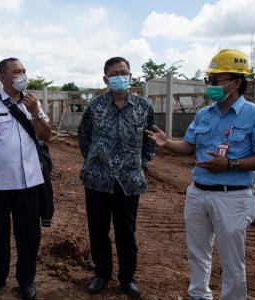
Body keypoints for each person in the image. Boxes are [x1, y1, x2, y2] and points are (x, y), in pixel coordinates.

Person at [145, 49, 255, 300]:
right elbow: (189, 147)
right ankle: (199, 295)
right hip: (198, 193)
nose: (210, 85)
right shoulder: (204, 114)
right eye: (209, 79)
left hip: (232, 197)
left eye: (215, 80)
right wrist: (168, 143)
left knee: (232, 259)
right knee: (197, 252)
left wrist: (230, 165)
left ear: (236, 83)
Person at [0, 57, 51, 300]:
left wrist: (35, 112)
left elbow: (47, 135)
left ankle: (26, 281)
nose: (22, 75)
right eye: (17, 72)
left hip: (29, 182)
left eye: (24, 71)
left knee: (29, 235)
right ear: (3, 78)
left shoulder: (33, 103)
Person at [78, 57, 156, 298]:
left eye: (124, 72)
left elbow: (151, 140)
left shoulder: (143, 107)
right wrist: (95, 161)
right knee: (98, 230)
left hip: (129, 181)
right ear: (106, 79)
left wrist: (139, 163)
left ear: (131, 76)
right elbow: (84, 137)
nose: (120, 77)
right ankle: (102, 274)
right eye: (115, 73)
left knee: (126, 232)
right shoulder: (95, 106)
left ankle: (127, 278)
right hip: (97, 180)